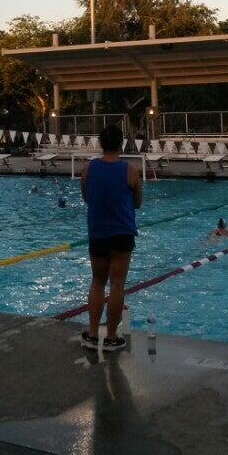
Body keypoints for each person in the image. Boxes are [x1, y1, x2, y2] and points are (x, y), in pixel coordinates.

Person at [79, 123, 141, 352]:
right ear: (121, 144)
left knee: (97, 281)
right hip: (122, 232)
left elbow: (86, 197)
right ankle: (112, 337)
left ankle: (92, 333)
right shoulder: (130, 171)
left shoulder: (88, 169)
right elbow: (138, 203)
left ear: (100, 144)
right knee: (117, 284)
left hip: (97, 232)